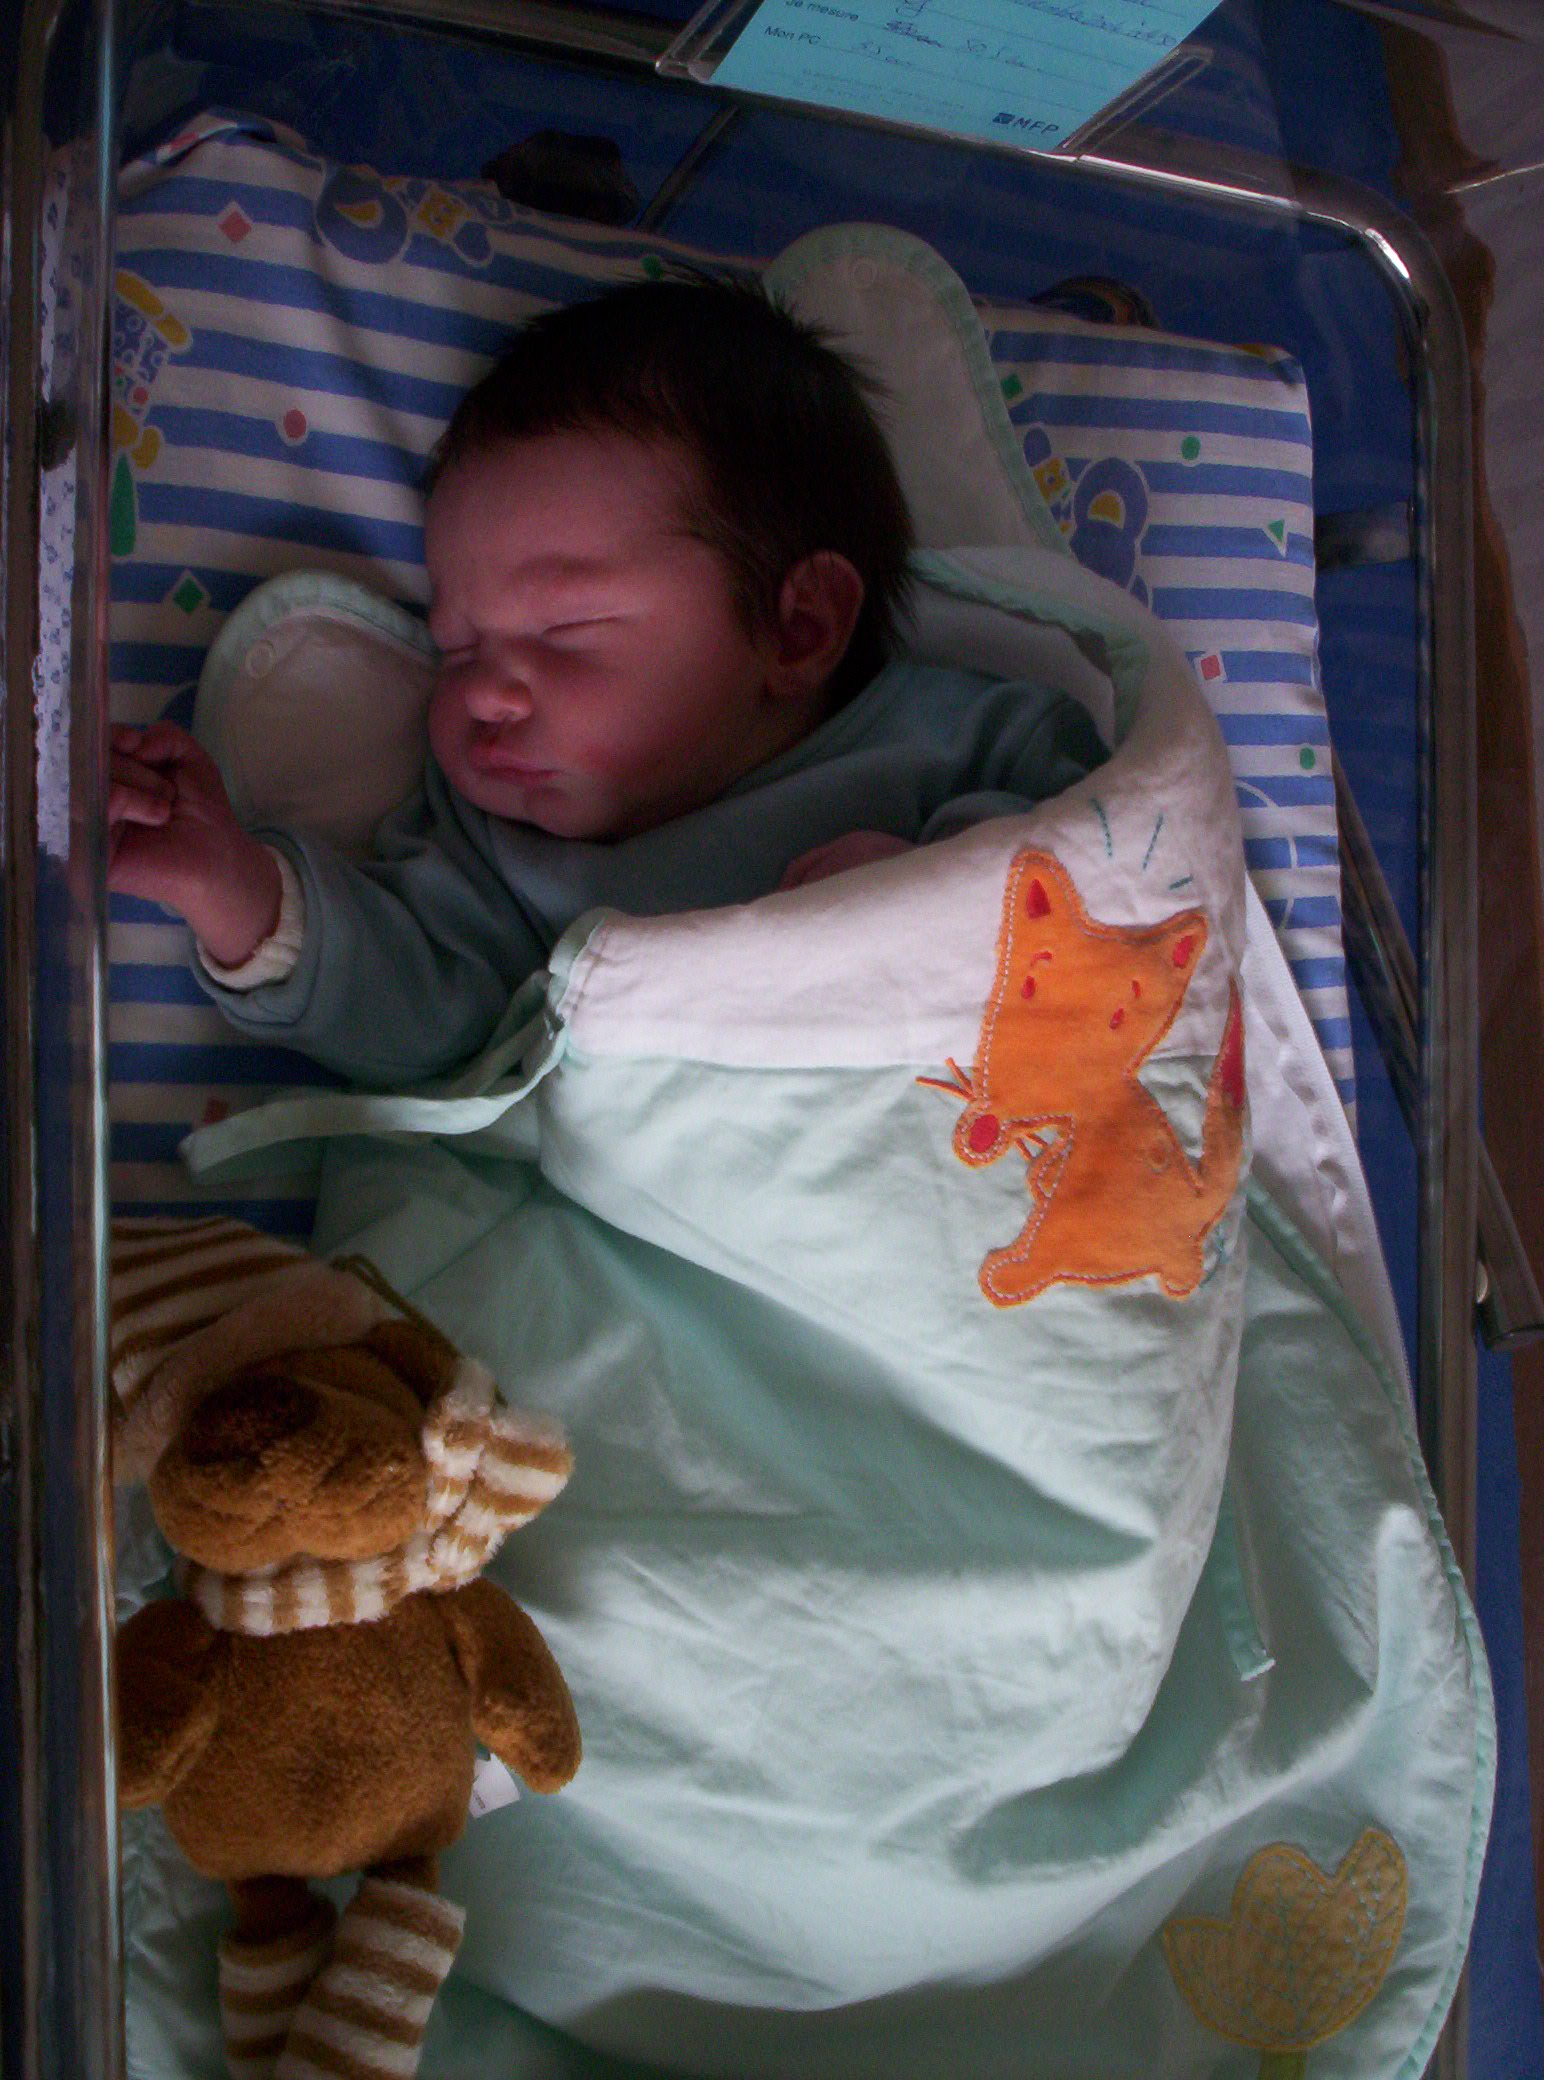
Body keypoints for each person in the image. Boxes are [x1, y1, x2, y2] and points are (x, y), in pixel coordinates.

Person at [108, 275, 1106, 1089]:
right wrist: (232, 888)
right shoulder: (501, 858)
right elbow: (421, 1010)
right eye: (457, 646)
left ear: (795, 628)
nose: (483, 693)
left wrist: (930, 892)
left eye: (565, 630)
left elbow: (1116, 864)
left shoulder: (961, 740)